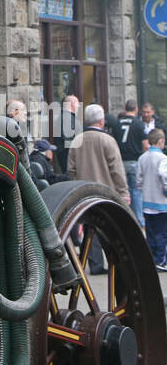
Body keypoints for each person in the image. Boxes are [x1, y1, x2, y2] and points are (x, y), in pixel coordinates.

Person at [67, 104, 130, 275]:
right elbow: (117, 170)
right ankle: (113, 261)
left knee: (89, 228)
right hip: (106, 192)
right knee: (110, 228)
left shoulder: (77, 139)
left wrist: (77, 183)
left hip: (84, 192)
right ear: (102, 120)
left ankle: (95, 264)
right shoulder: (107, 140)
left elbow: (71, 169)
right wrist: (124, 192)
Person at [136, 128, 167, 271]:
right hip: (161, 202)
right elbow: (164, 175)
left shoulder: (142, 158)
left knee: (151, 233)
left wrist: (144, 189)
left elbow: (139, 180)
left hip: (147, 201)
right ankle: (161, 260)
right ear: (161, 141)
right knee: (162, 233)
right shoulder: (163, 159)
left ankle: (151, 259)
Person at [114, 99, 146, 228]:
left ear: (125, 107)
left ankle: (123, 220)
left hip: (120, 162)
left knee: (122, 192)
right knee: (136, 192)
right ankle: (138, 220)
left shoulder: (117, 123)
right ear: (136, 109)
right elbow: (145, 145)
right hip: (134, 161)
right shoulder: (139, 124)